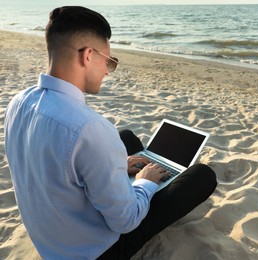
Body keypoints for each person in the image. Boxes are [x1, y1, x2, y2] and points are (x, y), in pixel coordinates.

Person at [4, 6, 217, 259]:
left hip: (50, 237)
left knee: (126, 138)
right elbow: (126, 221)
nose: (108, 70)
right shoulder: (89, 128)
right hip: (94, 251)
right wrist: (145, 183)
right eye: (110, 61)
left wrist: (115, 165)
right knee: (202, 175)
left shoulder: (18, 101)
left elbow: (55, 163)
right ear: (88, 56)